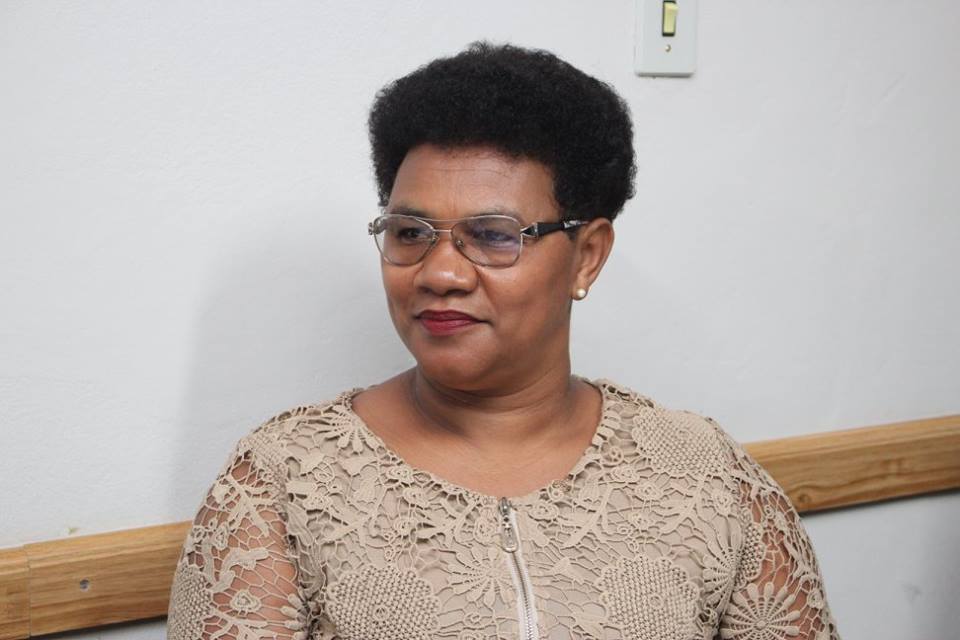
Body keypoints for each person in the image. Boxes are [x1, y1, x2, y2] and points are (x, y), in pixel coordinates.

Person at [166, 41, 841, 640]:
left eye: (493, 235)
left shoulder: (704, 475)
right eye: (410, 233)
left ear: (587, 256)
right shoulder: (283, 482)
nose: (441, 273)